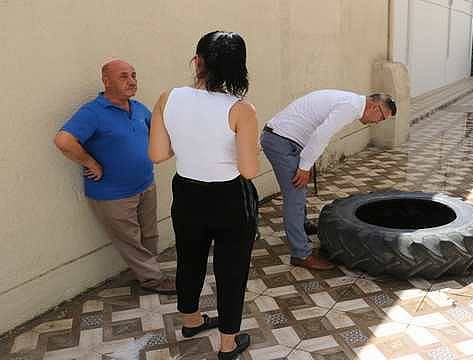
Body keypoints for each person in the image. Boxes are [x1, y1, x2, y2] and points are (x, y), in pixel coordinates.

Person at [148, 31, 258, 359]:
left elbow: (157, 154)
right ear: (239, 68)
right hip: (229, 197)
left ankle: (192, 319)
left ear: (197, 61)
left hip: (186, 193)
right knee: (231, 268)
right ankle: (228, 343)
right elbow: (249, 170)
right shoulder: (242, 110)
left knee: (189, 258)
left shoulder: (168, 97)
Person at [54, 59, 175, 295]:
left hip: (145, 184)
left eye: (133, 75)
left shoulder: (138, 108)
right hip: (113, 194)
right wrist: (90, 162)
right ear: (106, 81)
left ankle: (150, 271)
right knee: (130, 240)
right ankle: (152, 279)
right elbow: (63, 140)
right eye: (123, 76)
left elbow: (158, 131)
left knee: (149, 233)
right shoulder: (93, 112)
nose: (131, 81)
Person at [261, 90, 397, 270]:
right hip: (280, 141)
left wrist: (306, 165)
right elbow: (321, 135)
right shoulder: (351, 106)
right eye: (381, 117)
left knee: (299, 187)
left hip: (286, 139)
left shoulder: (352, 103)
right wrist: (304, 166)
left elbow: (319, 133)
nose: (378, 122)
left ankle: (302, 225)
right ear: (374, 105)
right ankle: (300, 254)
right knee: (294, 194)